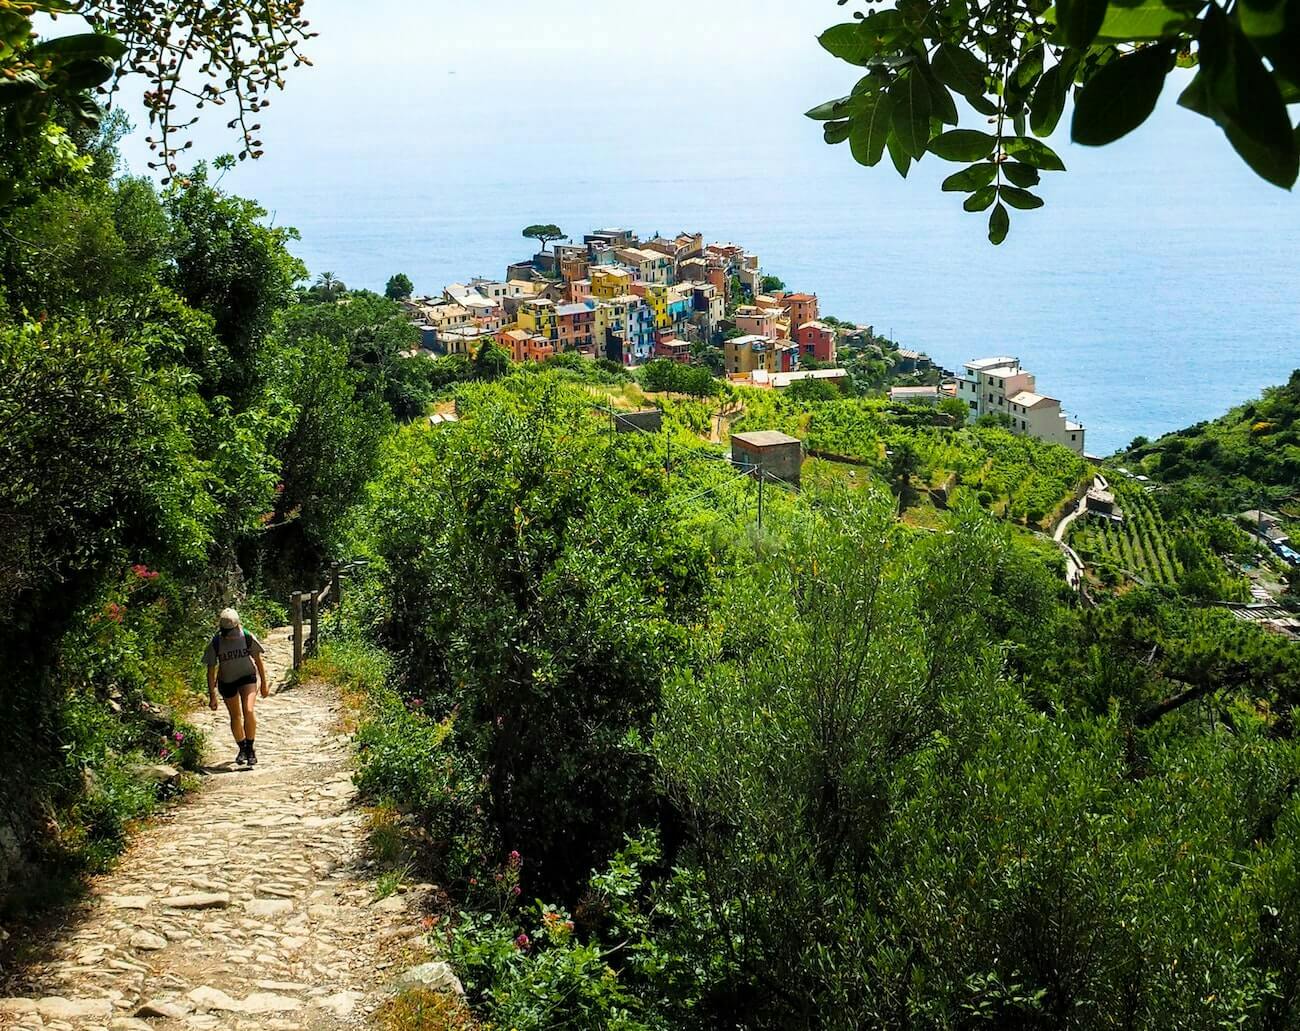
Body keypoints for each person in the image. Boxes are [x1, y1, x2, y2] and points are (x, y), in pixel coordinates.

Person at [203, 608, 269, 766]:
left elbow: (258, 661)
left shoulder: (246, 636)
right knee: (235, 716)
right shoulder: (216, 643)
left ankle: (251, 748)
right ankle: (242, 747)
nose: (229, 634)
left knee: (249, 710)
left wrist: (264, 684)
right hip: (227, 681)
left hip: (247, 677)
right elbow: (210, 671)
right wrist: (212, 695)